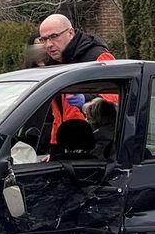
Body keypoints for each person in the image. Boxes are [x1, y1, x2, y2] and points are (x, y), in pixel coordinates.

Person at [37, 13, 117, 141]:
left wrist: (86, 99)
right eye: (44, 39)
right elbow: (58, 115)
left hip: (96, 142)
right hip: (68, 142)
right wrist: (55, 147)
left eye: (54, 37)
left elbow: (116, 96)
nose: (48, 44)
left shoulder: (97, 57)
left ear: (70, 33)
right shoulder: (54, 64)